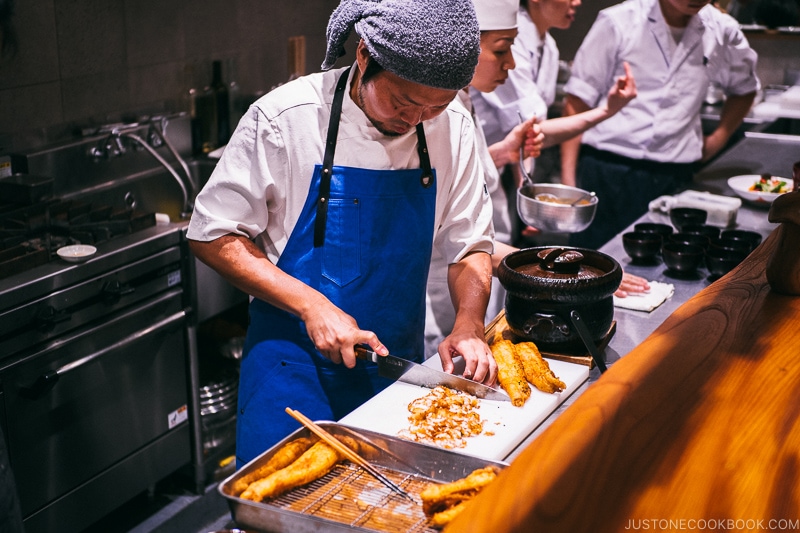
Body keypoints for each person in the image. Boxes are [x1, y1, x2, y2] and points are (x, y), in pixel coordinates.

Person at [188, 0, 499, 465]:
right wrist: (312, 305)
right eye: (403, 101)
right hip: (291, 374)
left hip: (395, 370)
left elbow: (469, 241)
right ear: (364, 57)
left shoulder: (452, 127)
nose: (416, 119)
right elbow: (210, 234)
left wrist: (470, 324)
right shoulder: (285, 119)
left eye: (436, 107)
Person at [425, 0, 645, 358]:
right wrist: (569, 275)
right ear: (461, 47)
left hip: (482, 271)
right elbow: (458, 237)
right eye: (502, 49)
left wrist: (503, 153)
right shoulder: (440, 113)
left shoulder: (463, 102)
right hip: (447, 297)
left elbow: (463, 177)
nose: (511, 63)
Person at [560, 0, 760, 250]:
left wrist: (717, 139)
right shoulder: (619, 21)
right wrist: (568, 186)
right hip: (608, 173)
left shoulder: (722, 29)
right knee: (593, 269)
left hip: (675, 177)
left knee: (665, 273)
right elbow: (578, 101)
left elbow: (745, 88)